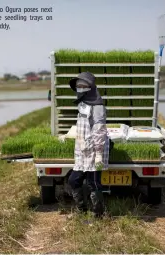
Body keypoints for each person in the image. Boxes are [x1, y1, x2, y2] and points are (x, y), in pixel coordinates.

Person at [67, 71, 109, 218]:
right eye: (78, 86)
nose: (80, 88)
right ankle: (81, 211)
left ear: (90, 88)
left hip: (94, 149)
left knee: (93, 182)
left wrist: (98, 153)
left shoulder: (97, 106)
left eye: (83, 85)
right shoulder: (83, 103)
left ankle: (98, 214)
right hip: (82, 150)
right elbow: (83, 125)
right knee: (74, 179)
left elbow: (99, 129)